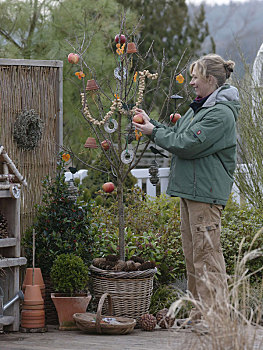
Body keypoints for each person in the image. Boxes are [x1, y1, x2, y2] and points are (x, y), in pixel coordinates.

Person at [132, 54, 240, 321]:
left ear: (210, 79)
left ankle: (216, 317)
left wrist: (152, 132)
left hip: (204, 194)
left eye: (195, 77)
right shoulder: (200, 108)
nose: (191, 82)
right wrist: (152, 124)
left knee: (207, 256)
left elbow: (188, 144)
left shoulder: (220, 114)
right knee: (193, 256)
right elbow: (179, 134)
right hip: (191, 191)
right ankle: (199, 312)